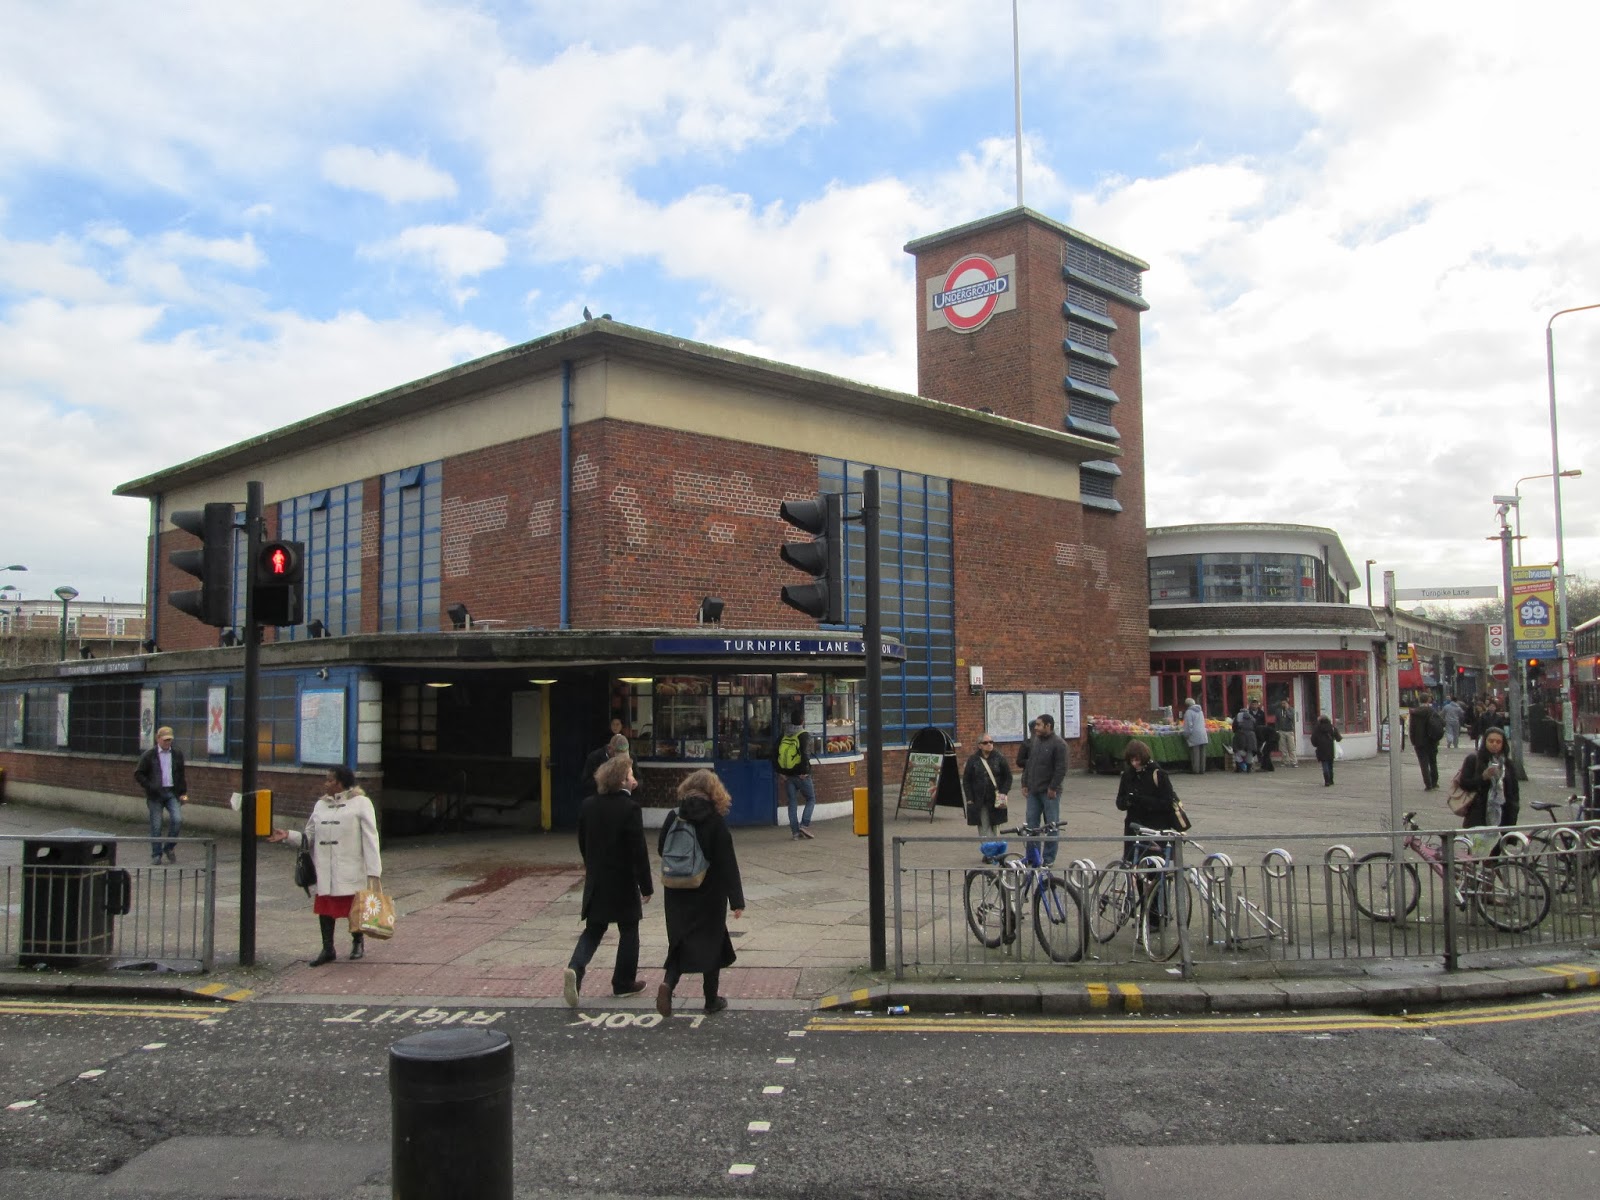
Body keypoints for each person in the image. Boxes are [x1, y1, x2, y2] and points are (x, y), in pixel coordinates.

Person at [266, 765, 382, 966]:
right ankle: (328, 949)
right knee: (325, 908)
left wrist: (374, 871)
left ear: (340, 783)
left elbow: (371, 838)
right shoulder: (320, 805)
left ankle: (357, 942)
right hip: (325, 868)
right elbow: (309, 836)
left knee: (354, 908)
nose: (325, 784)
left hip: (350, 867)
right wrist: (288, 835)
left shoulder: (361, 803)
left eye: (329, 780)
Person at [563, 754, 652, 1005]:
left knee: (594, 929)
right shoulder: (630, 808)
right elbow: (638, 849)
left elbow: (582, 842)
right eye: (631, 774)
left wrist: (592, 866)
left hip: (598, 880)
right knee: (629, 929)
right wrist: (646, 885)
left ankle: (575, 968)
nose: (634, 779)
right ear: (622, 780)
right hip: (623, 880)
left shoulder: (588, 805)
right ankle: (623, 983)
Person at [656, 769, 745, 1016]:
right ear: (714, 791)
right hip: (709, 891)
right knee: (712, 943)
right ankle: (711, 999)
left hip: (676, 890)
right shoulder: (714, 820)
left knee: (680, 942)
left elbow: (662, 848)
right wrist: (736, 900)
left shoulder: (674, 816)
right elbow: (727, 862)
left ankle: (668, 984)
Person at [1014, 713, 1068, 865]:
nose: (1035, 728)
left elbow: (1061, 769)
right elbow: (1029, 764)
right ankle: (1033, 857)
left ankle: (1048, 859)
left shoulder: (1059, 744)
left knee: (1052, 825)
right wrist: (1024, 783)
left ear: (1048, 726)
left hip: (1049, 792)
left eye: (1038, 725)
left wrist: (1053, 787)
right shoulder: (1036, 741)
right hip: (1033, 790)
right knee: (1032, 825)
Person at [133, 726, 187, 865]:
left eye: (170, 740)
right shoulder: (149, 755)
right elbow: (138, 773)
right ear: (158, 739)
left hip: (171, 792)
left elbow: (181, 774)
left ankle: (169, 847)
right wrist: (150, 786)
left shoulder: (177, 754)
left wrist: (183, 793)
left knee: (177, 820)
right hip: (155, 795)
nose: (168, 742)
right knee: (156, 825)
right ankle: (156, 854)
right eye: (165, 740)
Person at [1458, 727, 1520, 829]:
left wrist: (1514, 809)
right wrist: (1483, 778)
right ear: (1485, 742)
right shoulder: (1474, 760)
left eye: (1498, 742)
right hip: (1479, 814)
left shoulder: (1507, 764)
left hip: (1503, 815)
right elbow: (1464, 784)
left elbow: (1514, 790)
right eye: (1491, 741)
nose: (1494, 744)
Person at [775, 711, 816, 839]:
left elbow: (774, 754)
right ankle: (804, 825)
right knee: (811, 798)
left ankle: (795, 833)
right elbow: (805, 755)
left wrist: (780, 772)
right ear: (803, 721)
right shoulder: (804, 735)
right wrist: (805, 772)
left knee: (792, 802)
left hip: (787, 775)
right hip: (801, 775)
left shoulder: (784, 735)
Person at [962, 732, 1013, 836]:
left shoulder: (999, 757)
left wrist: (1004, 792)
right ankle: (989, 845)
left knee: (996, 827)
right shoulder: (973, 759)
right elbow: (966, 780)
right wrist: (969, 798)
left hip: (996, 798)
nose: (989, 744)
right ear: (979, 745)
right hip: (980, 799)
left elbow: (1008, 777)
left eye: (991, 742)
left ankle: (994, 844)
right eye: (985, 742)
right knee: (984, 827)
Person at [1408, 697, 1444, 790]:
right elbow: (1442, 723)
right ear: (1428, 700)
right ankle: (1434, 782)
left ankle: (1428, 784)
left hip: (1419, 742)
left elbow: (1411, 728)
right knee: (1433, 762)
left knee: (1423, 763)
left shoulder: (1414, 713)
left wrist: (1413, 741)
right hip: (1432, 740)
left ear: (1419, 701)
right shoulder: (1432, 711)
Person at [1310, 716, 1342, 786]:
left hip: (1321, 749)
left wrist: (1316, 744)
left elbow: (1313, 739)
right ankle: (1331, 780)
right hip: (1330, 748)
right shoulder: (1332, 727)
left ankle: (1327, 781)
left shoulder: (1317, 728)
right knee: (1330, 765)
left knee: (1324, 764)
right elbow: (1339, 738)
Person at [1181, 697, 1210, 775]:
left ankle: (1196, 770)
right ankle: (1202, 769)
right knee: (1202, 753)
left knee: (1195, 753)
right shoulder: (1200, 711)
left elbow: (1188, 725)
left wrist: (1186, 735)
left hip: (1194, 734)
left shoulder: (1188, 712)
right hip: (1203, 733)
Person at [1250, 699, 1275, 772]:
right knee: (1256, 747)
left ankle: (1261, 762)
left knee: (1262, 748)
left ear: (1258, 705)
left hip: (1261, 732)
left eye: (1255, 704)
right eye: (1253, 704)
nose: (1254, 706)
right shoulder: (1249, 713)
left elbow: (1264, 722)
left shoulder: (1261, 713)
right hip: (1253, 732)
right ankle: (1255, 762)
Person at [1232, 706, 1257, 773]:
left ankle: (1239, 768)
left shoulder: (1238, 716)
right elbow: (1255, 726)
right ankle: (1248, 769)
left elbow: (1234, 727)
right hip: (1251, 736)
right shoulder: (1252, 717)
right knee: (1250, 752)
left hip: (1240, 735)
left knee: (1238, 752)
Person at [1275, 697, 1299, 768]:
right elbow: (1277, 720)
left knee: (1291, 747)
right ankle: (1285, 761)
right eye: (1282, 703)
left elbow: (1291, 717)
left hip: (1289, 731)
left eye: (1284, 703)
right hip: (1281, 731)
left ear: (1287, 703)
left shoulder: (1291, 709)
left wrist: (1287, 710)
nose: (1283, 705)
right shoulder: (1278, 711)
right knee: (1283, 748)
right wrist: (1277, 730)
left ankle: (1294, 761)